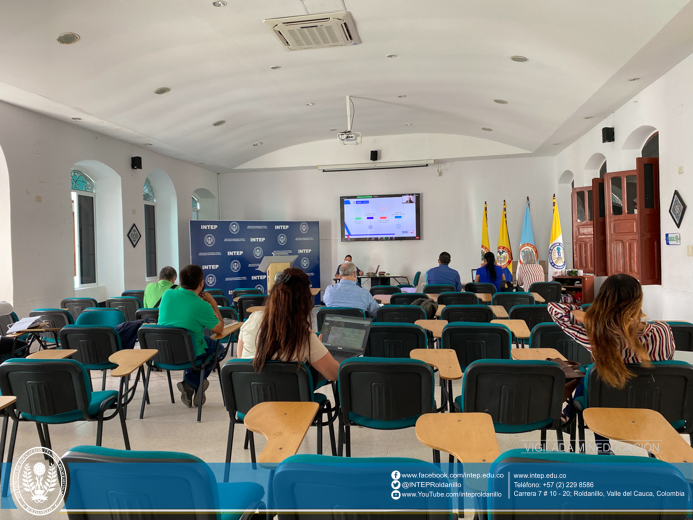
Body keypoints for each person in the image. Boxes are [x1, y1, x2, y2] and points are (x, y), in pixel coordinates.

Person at [548, 273, 675, 453]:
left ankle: (603, 448)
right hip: (656, 412)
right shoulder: (663, 331)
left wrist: (592, 319)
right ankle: (654, 452)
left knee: (592, 377)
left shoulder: (598, 337)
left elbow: (554, 309)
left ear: (602, 302)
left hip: (608, 415)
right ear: (639, 300)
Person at [237, 267, 339, 382]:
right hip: (292, 399)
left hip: (252, 397)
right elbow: (334, 374)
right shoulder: (304, 336)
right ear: (305, 302)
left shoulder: (252, 319)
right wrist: (320, 349)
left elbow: (240, 358)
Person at [158, 264, 224, 408]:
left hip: (163, 353)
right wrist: (212, 303)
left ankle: (191, 384)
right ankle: (191, 382)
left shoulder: (167, 294)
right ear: (202, 283)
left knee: (198, 342)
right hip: (189, 354)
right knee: (219, 348)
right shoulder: (202, 306)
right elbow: (219, 329)